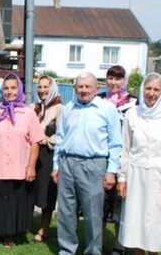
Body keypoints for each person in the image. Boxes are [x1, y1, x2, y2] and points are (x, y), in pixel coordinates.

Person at [52, 72, 122, 255]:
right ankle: (67, 250)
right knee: (66, 213)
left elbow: (116, 143)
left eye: (87, 86)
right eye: (80, 87)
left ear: (96, 88)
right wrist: (56, 166)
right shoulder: (69, 108)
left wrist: (111, 171)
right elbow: (60, 139)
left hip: (93, 165)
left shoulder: (107, 109)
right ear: (75, 89)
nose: (83, 90)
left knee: (93, 214)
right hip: (67, 163)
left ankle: (93, 251)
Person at [117, 73, 161, 254]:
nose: (151, 93)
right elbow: (125, 148)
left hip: (160, 177)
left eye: (156, 89)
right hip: (135, 174)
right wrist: (122, 177)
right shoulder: (133, 114)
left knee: (155, 224)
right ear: (142, 89)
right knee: (135, 225)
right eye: (148, 88)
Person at [0, 73, 45, 247]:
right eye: (6, 88)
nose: (9, 92)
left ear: (20, 90)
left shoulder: (29, 113)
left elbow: (35, 143)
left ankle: (9, 235)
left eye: (13, 88)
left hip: (19, 167)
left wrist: (31, 167)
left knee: (13, 204)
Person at [98, 65, 137, 255]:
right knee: (99, 201)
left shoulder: (134, 103)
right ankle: (100, 239)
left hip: (123, 159)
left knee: (121, 202)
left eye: (118, 78)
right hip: (100, 158)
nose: (114, 82)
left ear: (124, 80)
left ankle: (120, 245)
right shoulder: (98, 99)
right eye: (110, 78)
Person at [31, 75, 64, 243]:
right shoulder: (35, 107)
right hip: (33, 154)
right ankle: (27, 223)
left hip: (48, 154)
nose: (42, 90)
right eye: (40, 87)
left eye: (46, 87)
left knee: (46, 193)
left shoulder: (60, 109)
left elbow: (62, 135)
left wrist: (45, 140)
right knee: (31, 189)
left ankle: (44, 229)